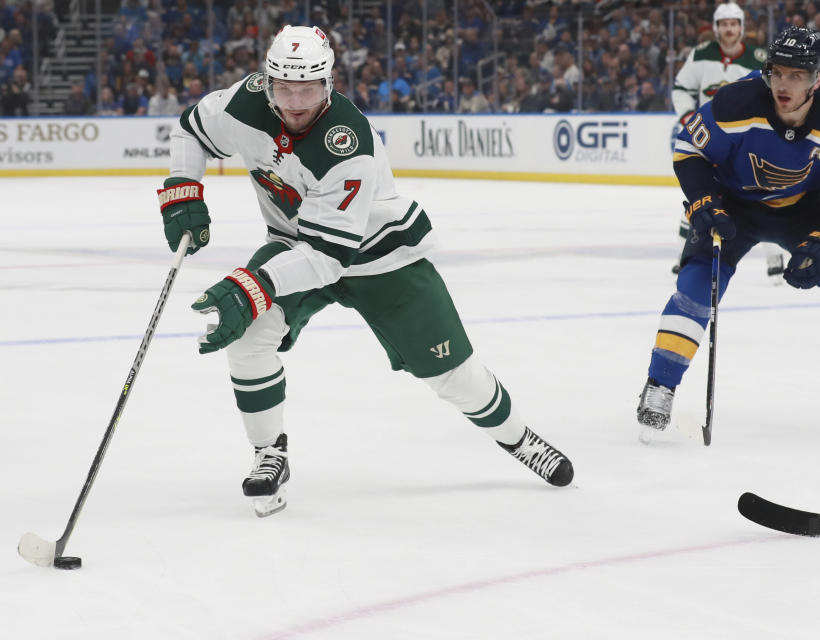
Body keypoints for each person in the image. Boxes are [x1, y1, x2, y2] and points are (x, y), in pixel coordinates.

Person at [157, 25, 574, 517]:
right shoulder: (244, 103)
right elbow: (190, 129)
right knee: (249, 339)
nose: (294, 102)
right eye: (284, 89)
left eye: (307, 89)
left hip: (377, 257)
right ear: (267, 82)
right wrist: (182, 187)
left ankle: (518, 438)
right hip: (293, 245)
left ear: (328, 84)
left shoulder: (349, 143)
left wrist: (255, 285)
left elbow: (329, 258)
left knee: (455, 377)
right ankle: (269, 452)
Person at [637, 26, 820, 442]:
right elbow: (689, 152)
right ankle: (660, 385)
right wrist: (703, 201)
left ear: (817, 80)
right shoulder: (736, 102)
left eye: (796, 75)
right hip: (733, 203)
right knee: (697, 285)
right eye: (777, 72)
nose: (783, 84)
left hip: (804, 208)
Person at [669, 3, 784, 281]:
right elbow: (681, 88)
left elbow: (774, 94)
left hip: (747, 143)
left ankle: (775, 257)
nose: (729, 29)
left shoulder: (758, 58)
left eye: (734, 24)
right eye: (724, 24)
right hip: (708, 141)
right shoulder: (700, 55)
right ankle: (684, 256)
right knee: (700, 196)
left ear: (741, 27)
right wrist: (688, 118)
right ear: (716, 27)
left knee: (761, 194)